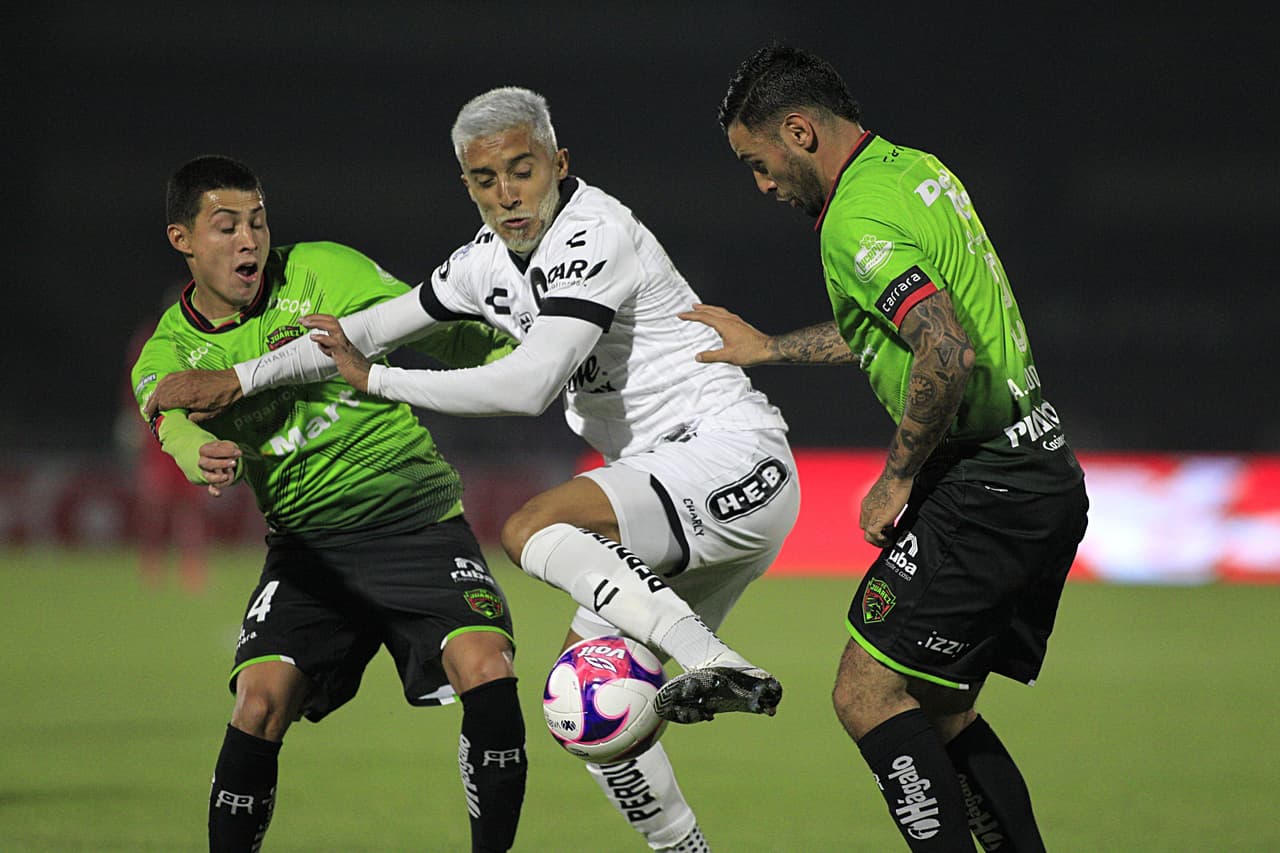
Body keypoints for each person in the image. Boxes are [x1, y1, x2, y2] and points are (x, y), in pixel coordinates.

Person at [145, 88, 801, 853]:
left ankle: (714, 660)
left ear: (559, 164)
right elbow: (368, 329)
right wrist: (245, 379)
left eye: (523, 171)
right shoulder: (484, 263)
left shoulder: (594, 234)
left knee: (531, 527)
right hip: (654, 480)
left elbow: (525, 386)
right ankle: (684, 846)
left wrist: (378, 380)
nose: (507, 193)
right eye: (486, 180)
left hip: (725, 450)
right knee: (586, 706)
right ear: (466, 183)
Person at [686, 45, 1090, 852]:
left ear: (798, 131)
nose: (761, 186)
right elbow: (895, 329)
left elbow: (944, 348)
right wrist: (770, 347)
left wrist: (895, 477)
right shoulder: (914, 170)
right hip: (1038, 465)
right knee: (939, 710)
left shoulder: (853, 220)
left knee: (865, 692)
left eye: (757, 163)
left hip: (986, 481)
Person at [131, 155, 528, 853]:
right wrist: (197, 453)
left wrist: (521, 351)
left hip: (418, 523)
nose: (249, 240)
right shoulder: (168, 347)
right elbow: (168, 414)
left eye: (257, 222)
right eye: (226, 227)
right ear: (182, 239)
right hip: (309, 551)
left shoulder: (324, 271)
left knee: (489, 669)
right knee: (257, 703)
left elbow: (432, 323)